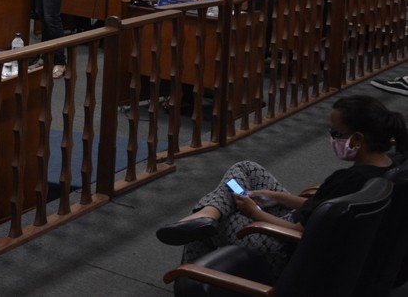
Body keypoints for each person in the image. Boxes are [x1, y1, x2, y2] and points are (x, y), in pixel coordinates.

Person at [155, 95, 405, 276]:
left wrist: (254, 212)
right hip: (307, 231)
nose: (332, 139)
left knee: (212, 224)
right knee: (247, 168)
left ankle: (192, 275)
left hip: (284, 245)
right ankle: (208, 213)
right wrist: (276, 197)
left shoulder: (350, 180)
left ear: (358, 138)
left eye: (336, 133)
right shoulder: (391, 166)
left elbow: (300, 231)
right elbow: (321, 207)